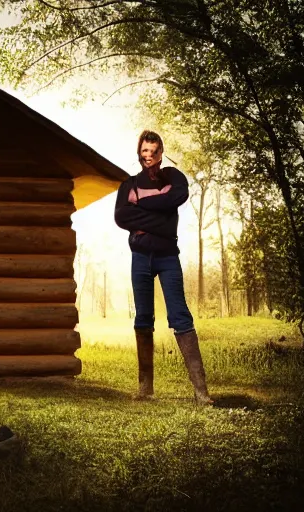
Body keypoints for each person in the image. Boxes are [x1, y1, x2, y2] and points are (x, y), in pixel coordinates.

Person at [114, 130, 213, 405]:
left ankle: (201, 392)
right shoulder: (129, 184)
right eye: (145, 151)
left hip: (168, 256)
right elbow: (122, 216)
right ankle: (145, 389)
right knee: (143, 318)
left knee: (180, 316)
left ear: (161, 152)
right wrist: (159, 214)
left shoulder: (173, 177)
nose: (149, 156)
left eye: (154, 151)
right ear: (139, 152)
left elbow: (174, 205)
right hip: (140, 257)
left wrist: (142, 208)